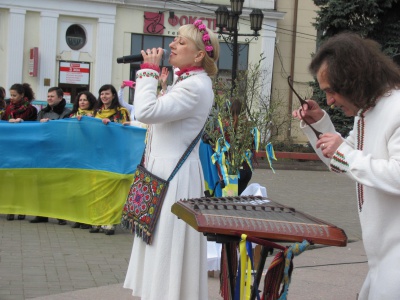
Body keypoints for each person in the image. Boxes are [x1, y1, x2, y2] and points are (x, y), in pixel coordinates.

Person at [292, 32, 400, 300]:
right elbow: (342, 160)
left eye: (331, 91)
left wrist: (345, 154)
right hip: (381, 259)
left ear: (353, 81)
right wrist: (319, 124)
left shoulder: (396, 109)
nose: (329, 100)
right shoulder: (368, 111)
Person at [123, 19, 220, 299]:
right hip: (162, 173)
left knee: (168, 249)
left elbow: (146, 112)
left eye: (181, 41)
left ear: (200, 54)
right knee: (158, 248)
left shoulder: (196, 86)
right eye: (174, 38)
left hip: (174, 179)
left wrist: (148, 74)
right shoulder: (186, 81)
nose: (172, 45)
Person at [89, 84, 130, 235]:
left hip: (114, 155)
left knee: (111, 187)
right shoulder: (96, 112)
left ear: (113, 95)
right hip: (97, 154)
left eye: (107, 94)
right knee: (97, 187)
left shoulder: (121, 112)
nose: (104, 97)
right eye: (102, 94)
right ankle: (97, 220)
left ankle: (110, 222)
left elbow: (125, 130)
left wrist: (112, 125)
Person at [31, 87, 71, 225]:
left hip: (58, 152)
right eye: (48, 96)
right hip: (43, 152)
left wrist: (50, 124)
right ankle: (42, 214)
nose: (49, 98)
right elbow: (35, 130)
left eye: (52, 96)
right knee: (41, 184)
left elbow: (66, 130)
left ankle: (60, 214)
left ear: (60, 98)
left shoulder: (67, 113)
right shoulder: (42, 112)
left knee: (58, 185)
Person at [2, 83, 37, 221]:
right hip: (10, 149)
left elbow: (33, 127)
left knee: (22, 182)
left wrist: (22, 123)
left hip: (25, 150)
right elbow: (3, 124)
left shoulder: (31, 110)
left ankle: (22, 209)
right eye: (11, 95)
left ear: (22, 95)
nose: (12, 98)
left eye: (14, 95)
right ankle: (10, 208)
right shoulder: (8, 108)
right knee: (11, 182)